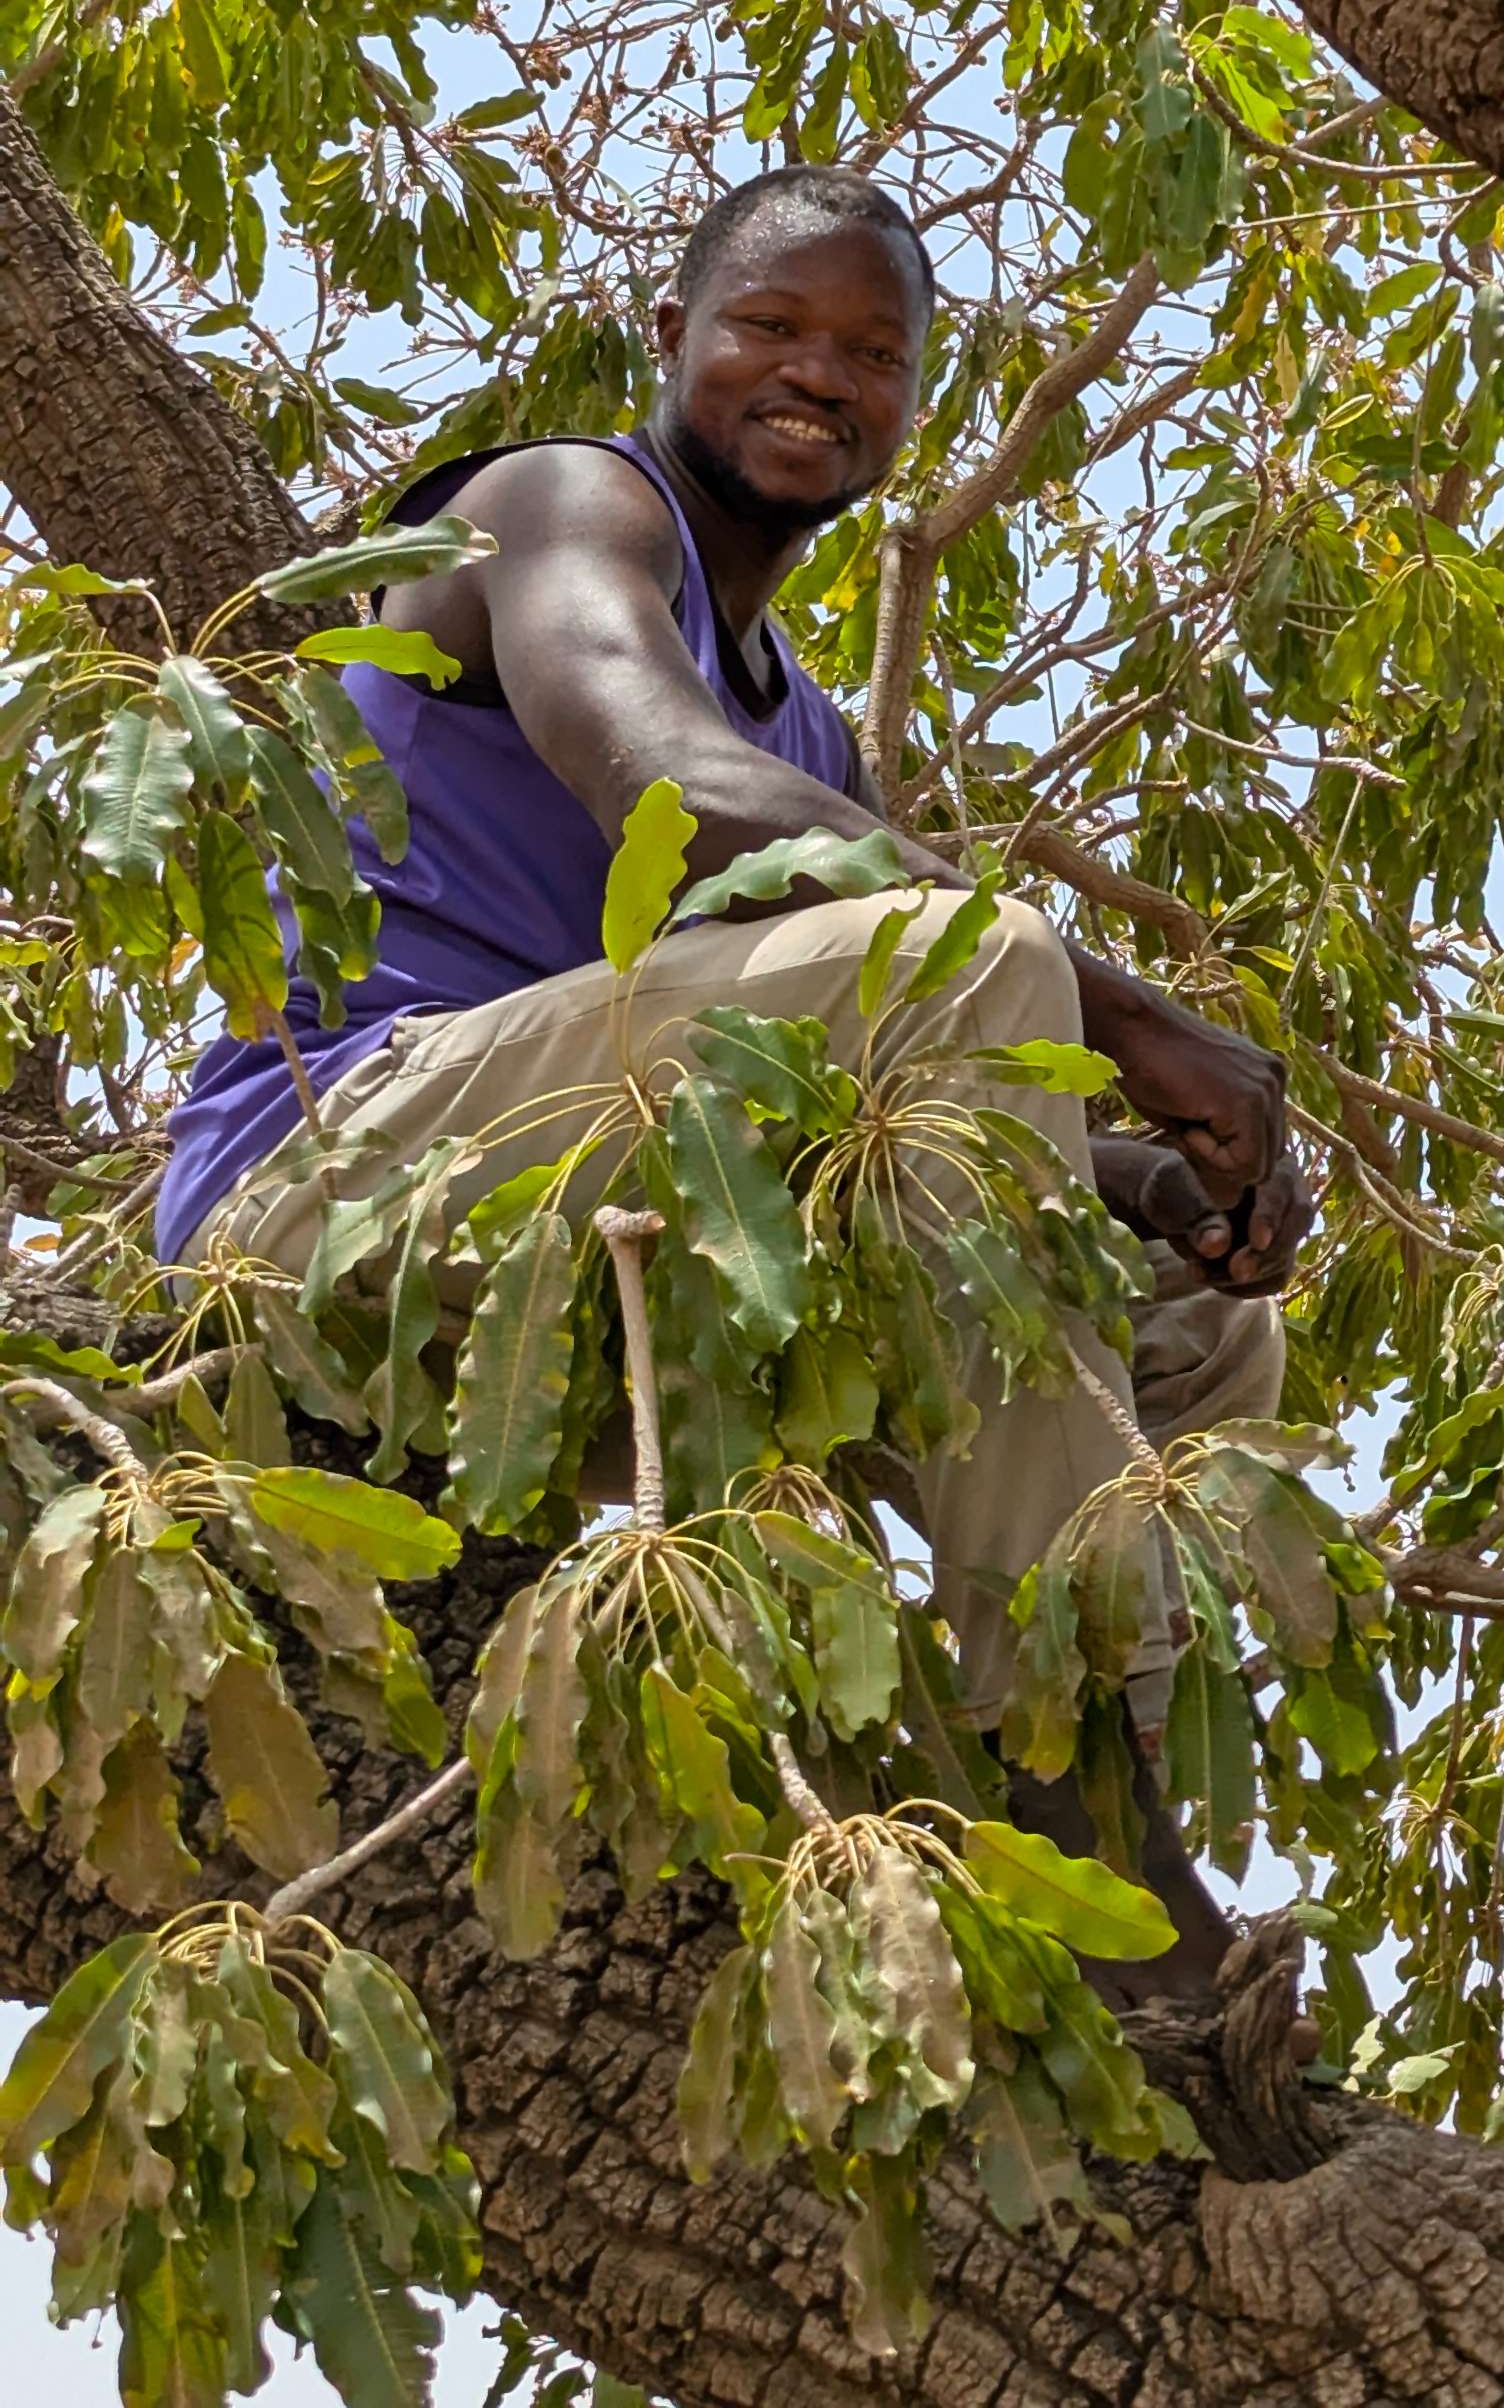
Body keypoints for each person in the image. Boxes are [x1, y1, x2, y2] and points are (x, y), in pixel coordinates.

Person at [159, 166, 1309, 1986]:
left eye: (872, 349)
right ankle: (1071, 1778)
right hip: (332, 1182)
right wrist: (1132, 1018)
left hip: (582, 1230)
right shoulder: (560, 504)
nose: (817, 373)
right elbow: (672, 790)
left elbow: (876, 1109)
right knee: (979, 953)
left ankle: (1035, 1746)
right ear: (668, 339)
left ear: (911, 404)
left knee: (1196, 1316)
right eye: (769, 325)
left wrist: (1154, 1185)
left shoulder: (814, 721)